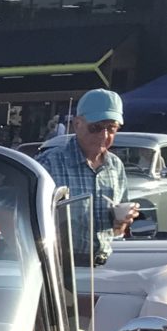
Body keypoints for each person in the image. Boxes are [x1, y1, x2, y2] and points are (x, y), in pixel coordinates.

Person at [36, 87, 139, 266]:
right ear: (77, 124)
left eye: (111, 128)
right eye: (95, 127)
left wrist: (122, 222)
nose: (104, 135)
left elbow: (116, 231)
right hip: (60, 269)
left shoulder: (115, 166)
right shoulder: (49, 163)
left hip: (103, 266)